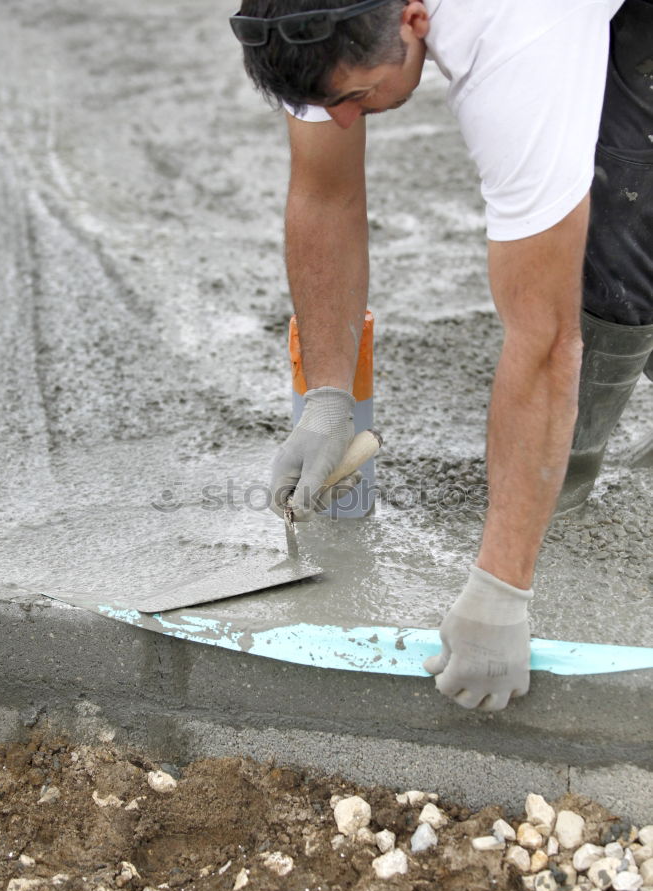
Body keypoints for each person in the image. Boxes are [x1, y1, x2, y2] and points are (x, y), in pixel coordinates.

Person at [230, 0, 653, 711]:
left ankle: (564, 475)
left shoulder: (515, 40)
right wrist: (328, 397)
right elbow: (324, 193)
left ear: (416, 18)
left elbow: (544, 341)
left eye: (357, 97)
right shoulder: (307, 13)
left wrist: (500, 591)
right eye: (326, 101)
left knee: (618, 236)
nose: (343, 119)